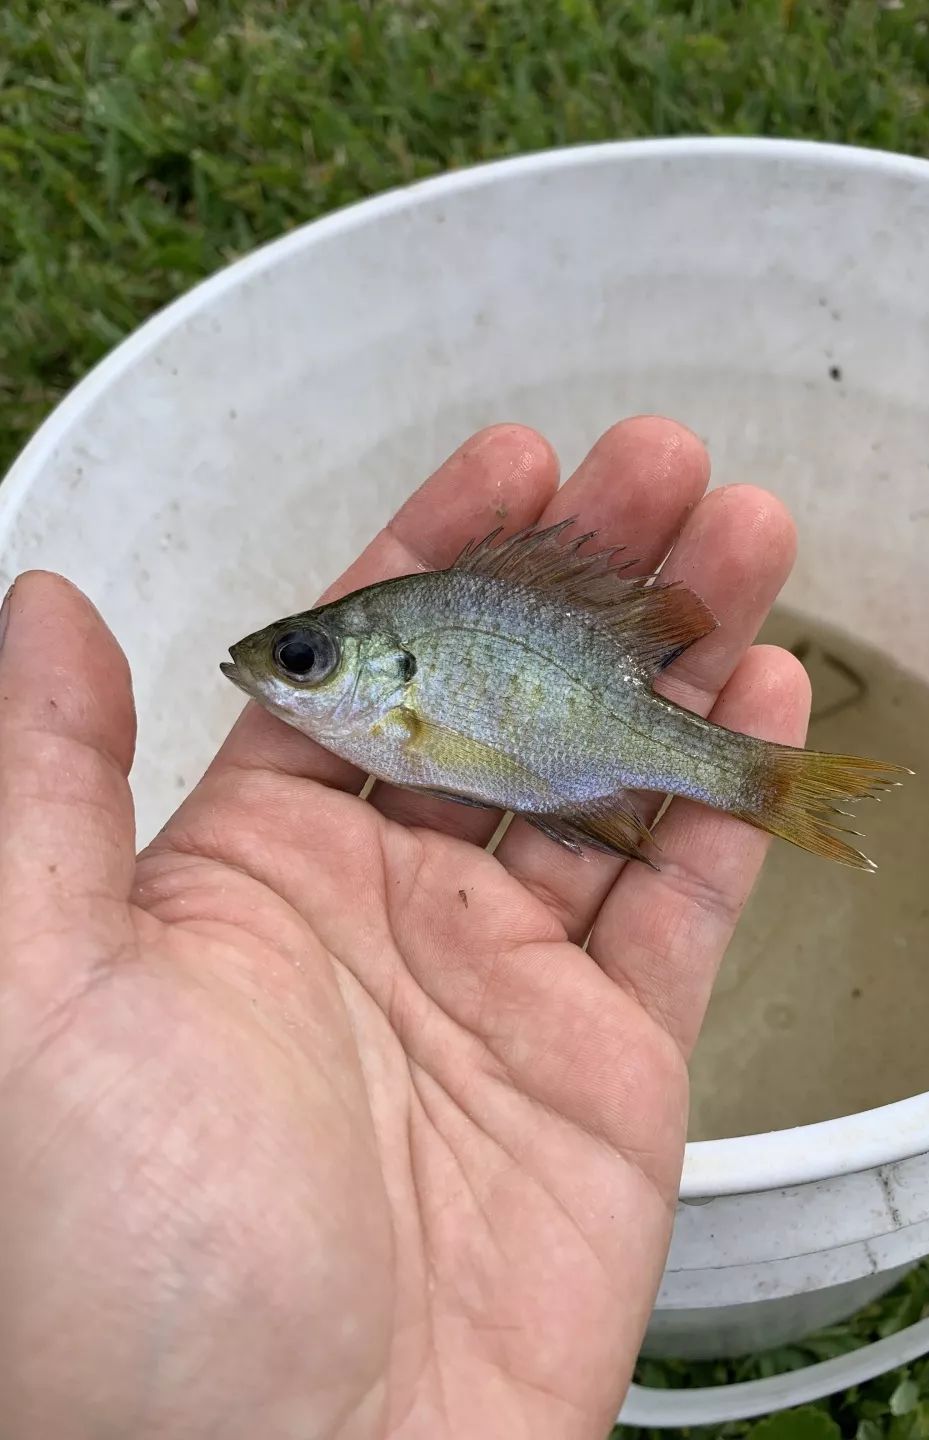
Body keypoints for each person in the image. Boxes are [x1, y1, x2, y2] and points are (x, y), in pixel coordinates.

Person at [0, 416, 806, 1439]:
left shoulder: (412, 692)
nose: (272, 669)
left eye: (303, 658)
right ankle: (772, 787)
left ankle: (767, 786)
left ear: (387, 674)